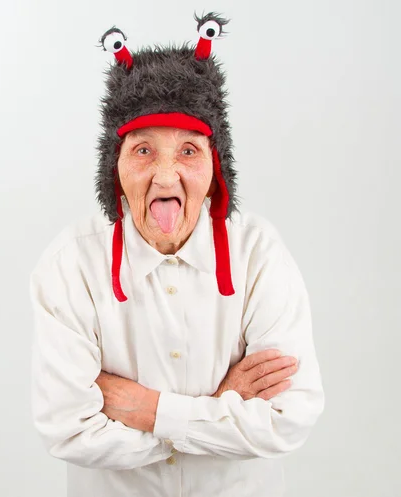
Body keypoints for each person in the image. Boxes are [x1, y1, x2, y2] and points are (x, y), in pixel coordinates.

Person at [29, 12, 324, 497]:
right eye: (143, 150)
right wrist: (219, 410)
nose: (166, 178)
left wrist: (146, 410)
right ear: (116, 167)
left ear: (215, 167)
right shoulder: (70, 265)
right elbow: (67, 428)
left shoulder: (261, 255)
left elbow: (288, 419)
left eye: (188, 150)